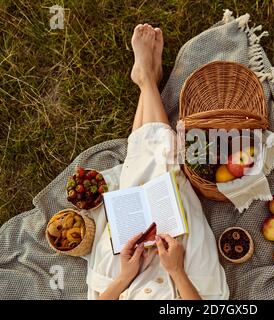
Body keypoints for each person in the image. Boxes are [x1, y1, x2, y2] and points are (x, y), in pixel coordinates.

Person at [85, 24, 229, 300]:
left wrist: (126, 276)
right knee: (170, 182)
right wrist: (176, 270)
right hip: (187, 284)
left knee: (134, 185)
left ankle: (146, 79)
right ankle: (146, 79)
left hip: (123, 283)